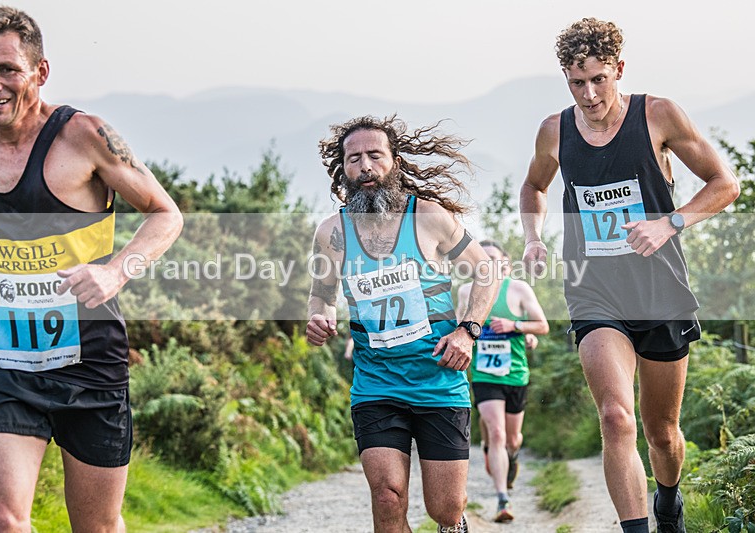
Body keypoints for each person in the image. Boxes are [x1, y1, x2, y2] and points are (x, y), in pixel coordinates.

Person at [0, 7, 183, 532]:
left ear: (40, 71)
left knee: (97, 527)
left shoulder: (85, 135)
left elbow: (165, 214)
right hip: (3, 361)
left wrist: (117, 272)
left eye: (7, 69)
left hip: (90, 360)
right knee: (3, 521)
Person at [520, 17, 739, 533]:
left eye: (599, 78)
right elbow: (533, 186)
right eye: (577, 82)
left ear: (619, 69)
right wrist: (533, 236)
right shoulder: (555, 130)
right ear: (565, 80)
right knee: (617, 418)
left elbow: (723, 184)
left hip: (660, 290)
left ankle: (668, 501)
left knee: (662, 433)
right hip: (595, 293)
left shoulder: (657, 115)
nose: (590, 93)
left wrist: (669, 223)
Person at [306, 115, 498, 533]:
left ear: (395, 161)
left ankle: (455, 523)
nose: (365, 166)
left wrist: (468, 331)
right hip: (376, 384)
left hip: (438, 379)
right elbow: (321, 293)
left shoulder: (430, 218)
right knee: (387, 495)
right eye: (353, 158)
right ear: (344, 169)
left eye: (375, 155)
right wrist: (319, 315)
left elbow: (487, 272)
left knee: (444, 509)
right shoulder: (332, 232)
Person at [456, 240, 549, 523]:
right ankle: (502, 499)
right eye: (483, 260)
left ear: (506, 263)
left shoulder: (519, 289)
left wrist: (517, 327)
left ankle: (511, 455)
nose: (489, 264)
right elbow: (458, 327)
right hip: (484, 374)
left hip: (515, 373)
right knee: (496, 433)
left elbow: (542, 325)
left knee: (511, 438)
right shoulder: (465, 291)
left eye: (495, 259)